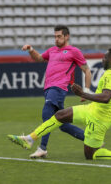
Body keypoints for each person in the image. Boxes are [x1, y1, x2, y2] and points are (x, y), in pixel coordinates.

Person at [8, 48, 111, 160]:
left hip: (101, 118)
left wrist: (83, 94)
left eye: (105, 57)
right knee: (60, 115)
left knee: (91, 155)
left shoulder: (110, 75)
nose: (102, 59)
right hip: (93, 109)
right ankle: (29, 139)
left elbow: (106, 97)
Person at [22, 25, 92, 158]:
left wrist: (86, 92)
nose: (56, 39)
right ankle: (92, 140)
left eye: (59, 36)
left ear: (67, 36)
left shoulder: (74, 51)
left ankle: (41, 147)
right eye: (55, 36)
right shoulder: (52, 50)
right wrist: (30, 49)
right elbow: (39, 58)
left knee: (47, 113)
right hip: (49, 88)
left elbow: (87, 70)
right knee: (63, 125)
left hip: (59, 88)